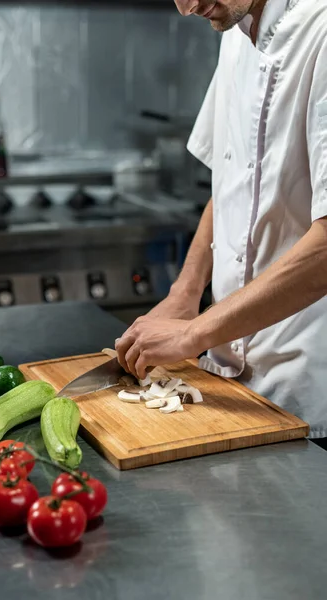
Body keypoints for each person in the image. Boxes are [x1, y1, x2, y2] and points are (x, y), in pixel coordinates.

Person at [115, 0, 327, 446]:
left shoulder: (321, 32)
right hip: (228, 383)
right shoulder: (233, 28)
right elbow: (228, 178)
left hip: (307, 388)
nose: (187, 7)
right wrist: (184, 294)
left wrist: (193, 333)